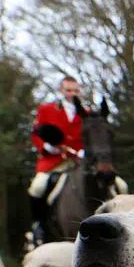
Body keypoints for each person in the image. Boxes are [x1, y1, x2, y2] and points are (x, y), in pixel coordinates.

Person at [27, 76, 86, 247]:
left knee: (119, 185)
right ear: (62, 91)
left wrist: (84, 151)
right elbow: (36, 135)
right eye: (68, 90)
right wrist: (48, 147)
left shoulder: (87, 113)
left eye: (75, 90)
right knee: (37, 187)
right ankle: (37, 226)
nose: (72, 94)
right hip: (53, 161)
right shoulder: (46, 110)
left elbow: (92, 136)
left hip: (80, 161)